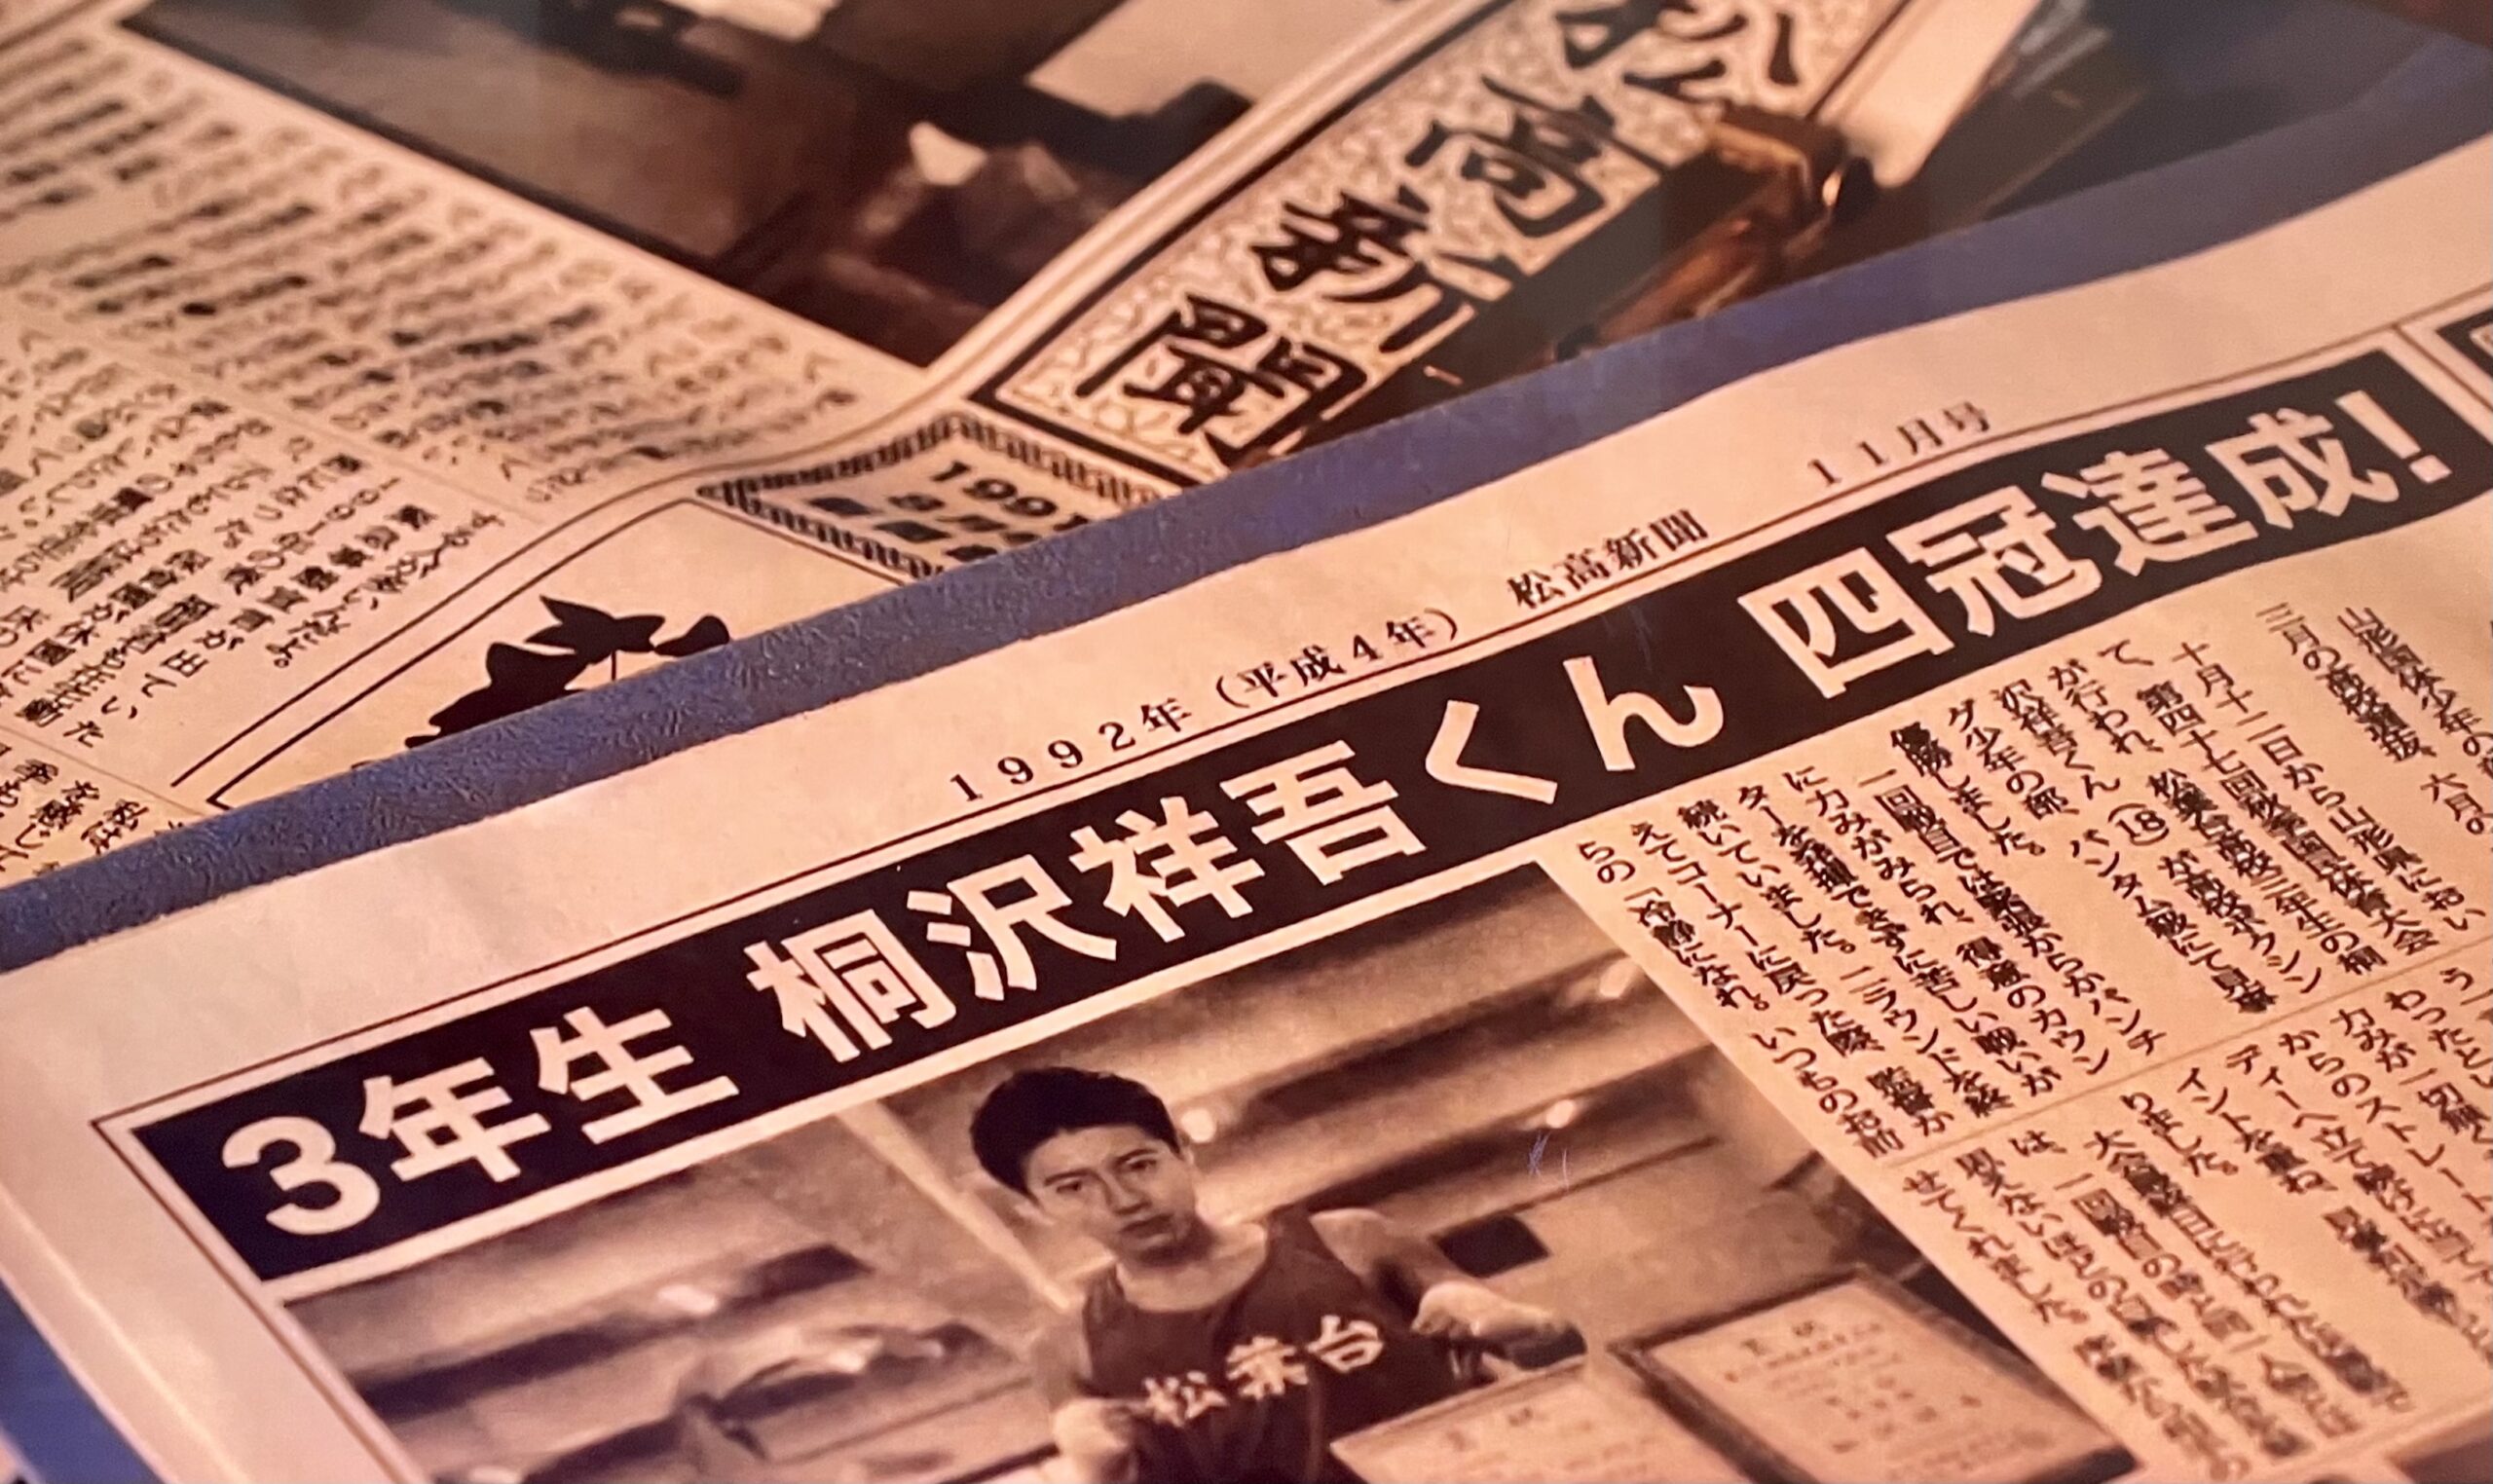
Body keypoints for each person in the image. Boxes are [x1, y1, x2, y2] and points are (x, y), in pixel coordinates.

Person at [969, 1066, 1574, 1484]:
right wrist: (1096, 1471)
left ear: (1184, 1154)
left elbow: (1559, 1351)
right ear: (1034, 1209)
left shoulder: (1348, 1242)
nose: (1123, 1200)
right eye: (1073, 1187)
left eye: (1139, 1165)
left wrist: (1525, 1325)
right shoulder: (1068, 1346)